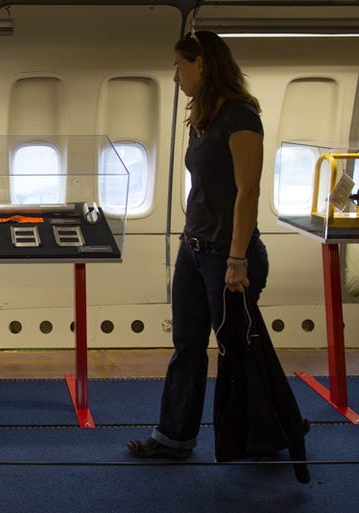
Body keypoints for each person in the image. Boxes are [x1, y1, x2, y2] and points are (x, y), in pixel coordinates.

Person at [127, 30, 269, 459]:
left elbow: (249, 192)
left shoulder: (241, 117)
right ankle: (173, 438)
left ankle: (268, 430)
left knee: (237, 352)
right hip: (194, 251)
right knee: (187, 346)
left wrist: (238, 259)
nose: (174, 76)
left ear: (202, 63)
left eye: (178, 65)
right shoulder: (203, 116)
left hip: (229, 257)